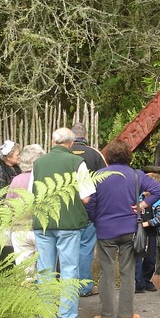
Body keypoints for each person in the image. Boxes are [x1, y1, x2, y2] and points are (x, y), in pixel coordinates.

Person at [85, 139, 160, 318]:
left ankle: (106, 316)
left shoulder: (99, 175)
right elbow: (158, 189)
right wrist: (143, 205)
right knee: (128, 272)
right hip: (130, 229)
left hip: (105, 230)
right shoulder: (136, 175)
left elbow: (90, 202)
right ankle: (127, 315)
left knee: (106, 272)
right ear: (128, 155)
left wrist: (95, 219)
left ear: (108, 156)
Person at [29, 128, 96, 318]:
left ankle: (47, 317)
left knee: (45, 272)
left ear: (52, 141)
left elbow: (32, 193)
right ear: (71, 143)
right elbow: (86, 198)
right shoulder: (77, 162)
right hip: (68, 224)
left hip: (43, 224)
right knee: (69, 272)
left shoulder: (38, 163)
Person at [71, 122, 107, 298]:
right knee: (86, 248)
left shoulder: (64, 153)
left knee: (67, 248)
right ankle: (84, 287)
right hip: (89, 209)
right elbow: (105, 179)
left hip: (66, 210)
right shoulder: (95, 154)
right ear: (86, 135)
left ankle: (66, 287)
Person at [5, 144, 46, 275]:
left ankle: (26, 294)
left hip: (19, 230)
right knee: (44, 271)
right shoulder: (44, 179)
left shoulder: (16, 180)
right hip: (40, 229)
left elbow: (8, 206)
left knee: (25, 273)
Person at [135, 173, 160, 293]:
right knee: (137, 256)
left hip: (151, 232)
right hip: (138, 233)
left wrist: (146, 224)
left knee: (150, 259)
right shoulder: (138, 198)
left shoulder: (158, 201)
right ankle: (138, 282)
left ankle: (146, 279)